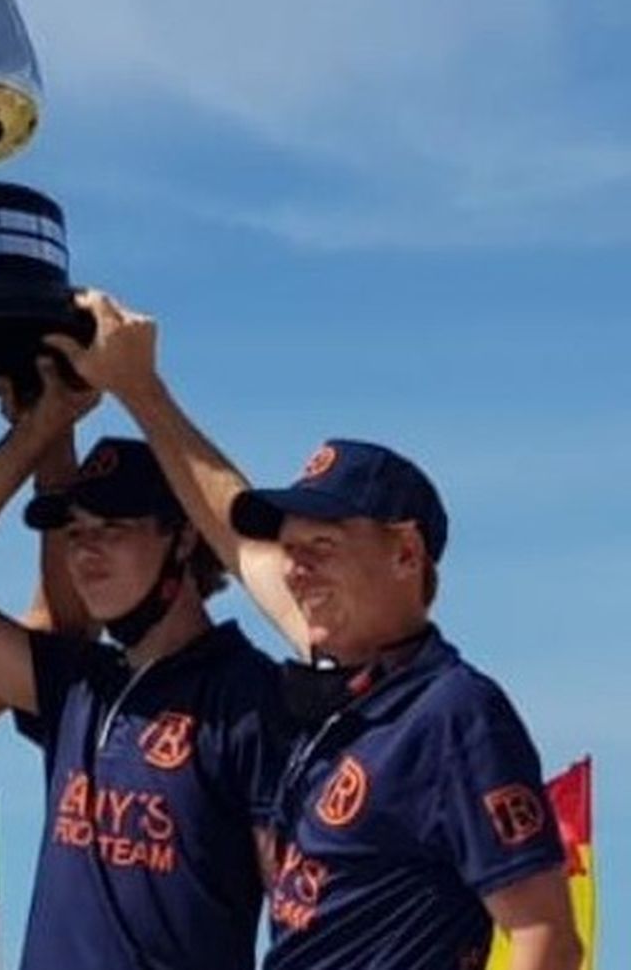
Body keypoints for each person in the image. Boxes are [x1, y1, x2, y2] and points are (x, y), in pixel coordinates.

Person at [58, 290, 582, 970]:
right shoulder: (350, 690)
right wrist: (138, 388)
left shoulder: (452, 712)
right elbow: (237, 538)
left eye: (322, 548)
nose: (296, 570)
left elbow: (547, 936)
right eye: (292, 548)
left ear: (404, 554)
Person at [0, 351, 286, 969]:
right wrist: (37, 433)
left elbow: (297, 905)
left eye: (113, 529)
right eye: (75, 532)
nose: (86, 552)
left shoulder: (250, 696)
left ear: (181, 537)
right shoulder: (81, 685)